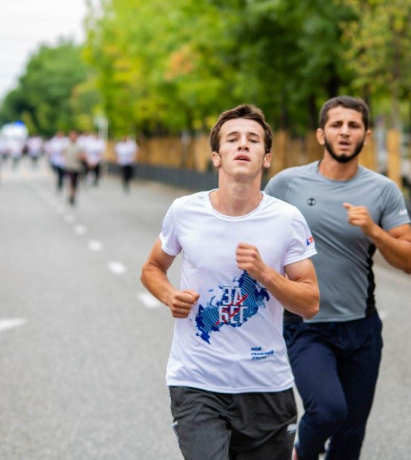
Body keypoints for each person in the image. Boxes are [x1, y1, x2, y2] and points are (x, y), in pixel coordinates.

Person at [141, 104, 320, 459]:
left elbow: (310, 302)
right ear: (216, 157)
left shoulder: (287, 219)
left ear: (266, 158)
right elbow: (151, 268)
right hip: (197, 382)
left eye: (253, 140)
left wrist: (266, 274)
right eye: (233, 139)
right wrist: (169, 295)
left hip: (266, 385)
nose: (243, 145)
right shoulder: (184, 211)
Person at [264, 96, 411, 460]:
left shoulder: (382, 190)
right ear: (321, 134)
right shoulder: (288, 184)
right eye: (337, 125)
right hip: (307, 325)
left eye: (353, 126)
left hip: (361, 328)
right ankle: (302, 453)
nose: (345, 132)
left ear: (366, 135)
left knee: (351, 435)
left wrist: (374, 231)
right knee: (329, 410)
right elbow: (254, 229)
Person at [62, 130, 86, 206]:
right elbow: (63, 154)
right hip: (69, 167)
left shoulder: (80, 147)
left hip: (77, 167)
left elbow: (84, 156)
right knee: (69, 182)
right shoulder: (67, 146)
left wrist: (80, 157)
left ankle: (73, 196)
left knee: (75, 183)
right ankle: (71, 195)